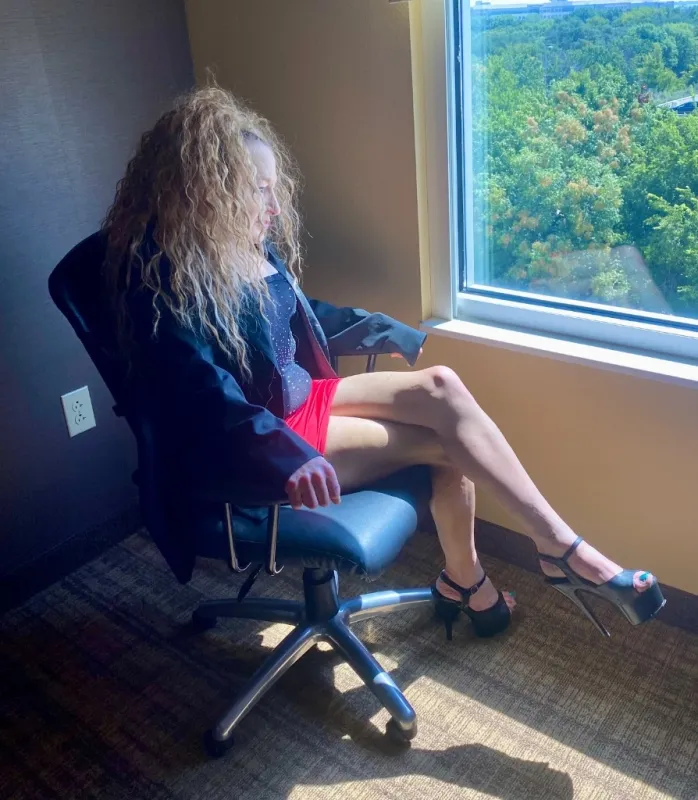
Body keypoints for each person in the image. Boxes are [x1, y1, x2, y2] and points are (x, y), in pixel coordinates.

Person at [102, 86, 665, 640]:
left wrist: (379, 328)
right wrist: (285, 452)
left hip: (292, 402)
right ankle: (523, 567)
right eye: (259, 191)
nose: (273, 208)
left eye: (274, 189)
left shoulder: (238, 242)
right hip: (246, 440)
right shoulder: (158, 279)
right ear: (205, 190)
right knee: (449, 447)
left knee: (441, 386)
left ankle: (526, 559)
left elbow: (291, 316)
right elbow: (201, 390)